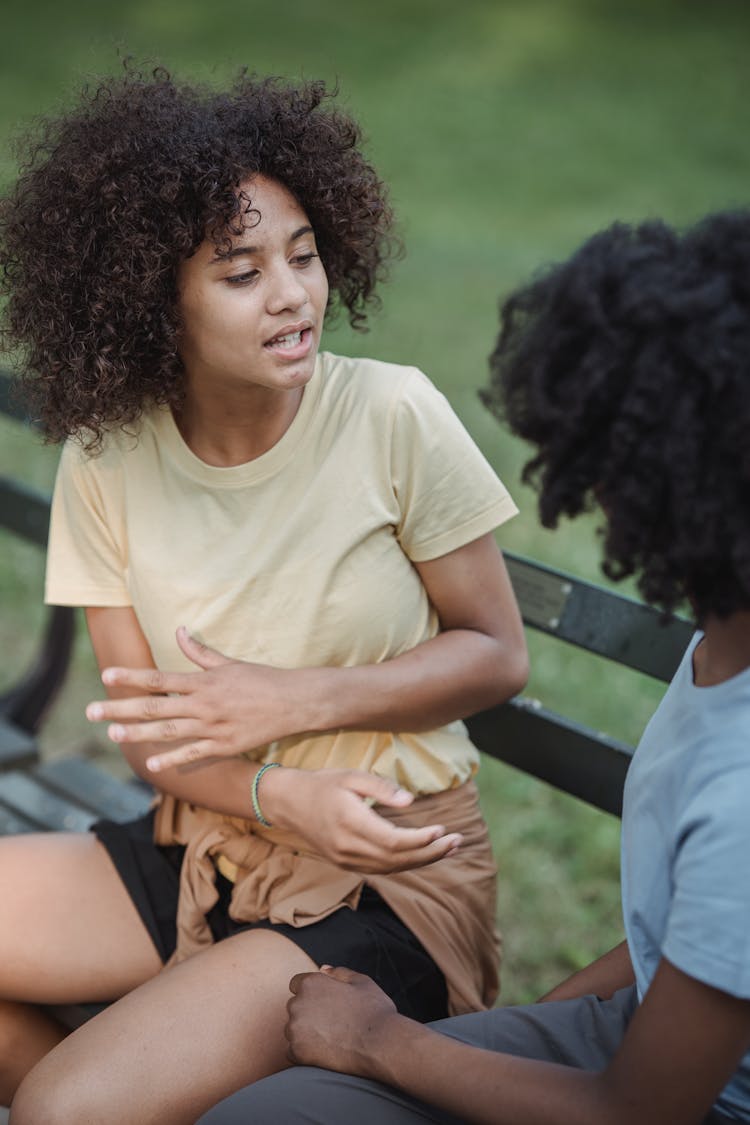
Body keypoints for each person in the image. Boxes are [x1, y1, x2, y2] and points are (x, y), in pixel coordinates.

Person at [0, 69, 529, 1123]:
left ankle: (144, 1059)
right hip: (206, 841)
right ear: (155, 297)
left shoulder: (392, 416)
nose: (293, 294)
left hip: (387, 869)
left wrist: (295, 701)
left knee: (72, 1108)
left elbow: (495, 654)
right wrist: (272, 790)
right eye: (241, 272)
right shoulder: (108, 460)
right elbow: (150, 733)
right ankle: (167, 1047)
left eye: (304, 255)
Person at [197, 212, 750, 1125]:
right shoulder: (723, 639)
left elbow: (636, 1110)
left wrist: (381, 1038)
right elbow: (686, 940)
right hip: (639, 1031)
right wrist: (500, 1031)